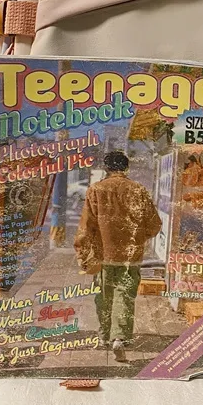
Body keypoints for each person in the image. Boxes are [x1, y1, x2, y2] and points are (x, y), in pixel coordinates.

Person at [74, 150, 162, 358]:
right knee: (124, 296)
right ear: (126, 168)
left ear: (106, 168)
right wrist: (138, 238)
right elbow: (154, 224)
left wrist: (82, 251)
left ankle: (105, 336)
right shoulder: (138, 190)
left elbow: (86, 227)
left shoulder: (96, 190)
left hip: (103, 255)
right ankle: (119, 338)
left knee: (104, 297)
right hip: (130, 256)